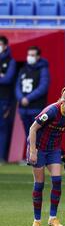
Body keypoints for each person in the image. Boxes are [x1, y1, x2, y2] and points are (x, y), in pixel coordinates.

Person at [28, 87, 65, 226]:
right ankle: (37, 220)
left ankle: (53, 218)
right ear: (63, 102)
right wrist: (33, 151)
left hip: (54, 149)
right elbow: (32, 129)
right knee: (39, 184)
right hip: (39, 149)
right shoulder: (52, 111)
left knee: (57, 181)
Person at [16, 46, 50, 139]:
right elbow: (17, 86)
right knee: (28, 136)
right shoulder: (23, 69)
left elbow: (43, 87)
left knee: (38, 135)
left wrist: (28, 98)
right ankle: (29, 153)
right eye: (28, 54)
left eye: (32, 55)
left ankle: (37, 153)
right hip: (23, 109)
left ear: (38, 57)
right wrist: (21, 98)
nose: (29, 57)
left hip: (36, 108)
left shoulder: (43, 70)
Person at [0, 35, 17, 163]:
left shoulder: (11, 61)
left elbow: (7, 79)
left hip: (4, 101)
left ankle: (1, 157)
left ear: (5, 46)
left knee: (3, 129)